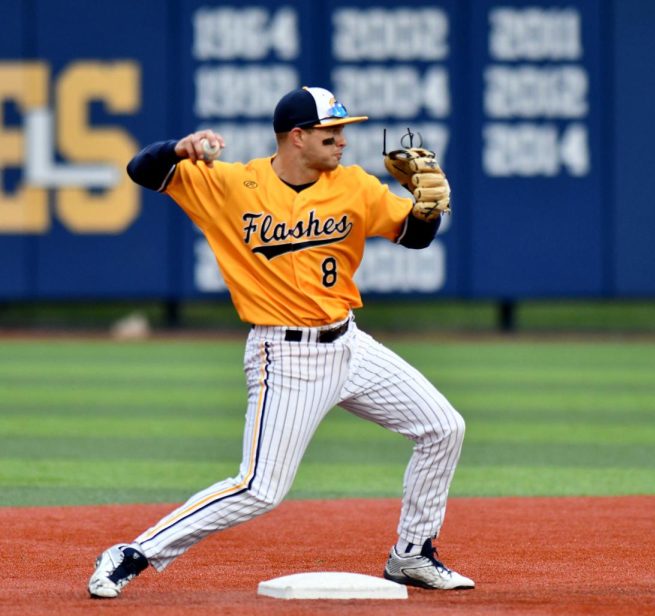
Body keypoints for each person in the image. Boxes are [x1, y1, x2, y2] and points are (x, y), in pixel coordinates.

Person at [87, 86, 472, 598]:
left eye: (343, 130)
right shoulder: (231, 185)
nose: (342, 141)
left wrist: (427, 211)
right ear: (297, 136)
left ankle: (412, 554)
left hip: (350, 345)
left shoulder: (355, 186)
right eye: (330, 132)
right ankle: (133, 554)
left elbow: (415, 237)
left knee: (443, 427)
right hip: (284, 355)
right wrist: (179, 149)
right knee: (259, 489)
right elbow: (141, 169)